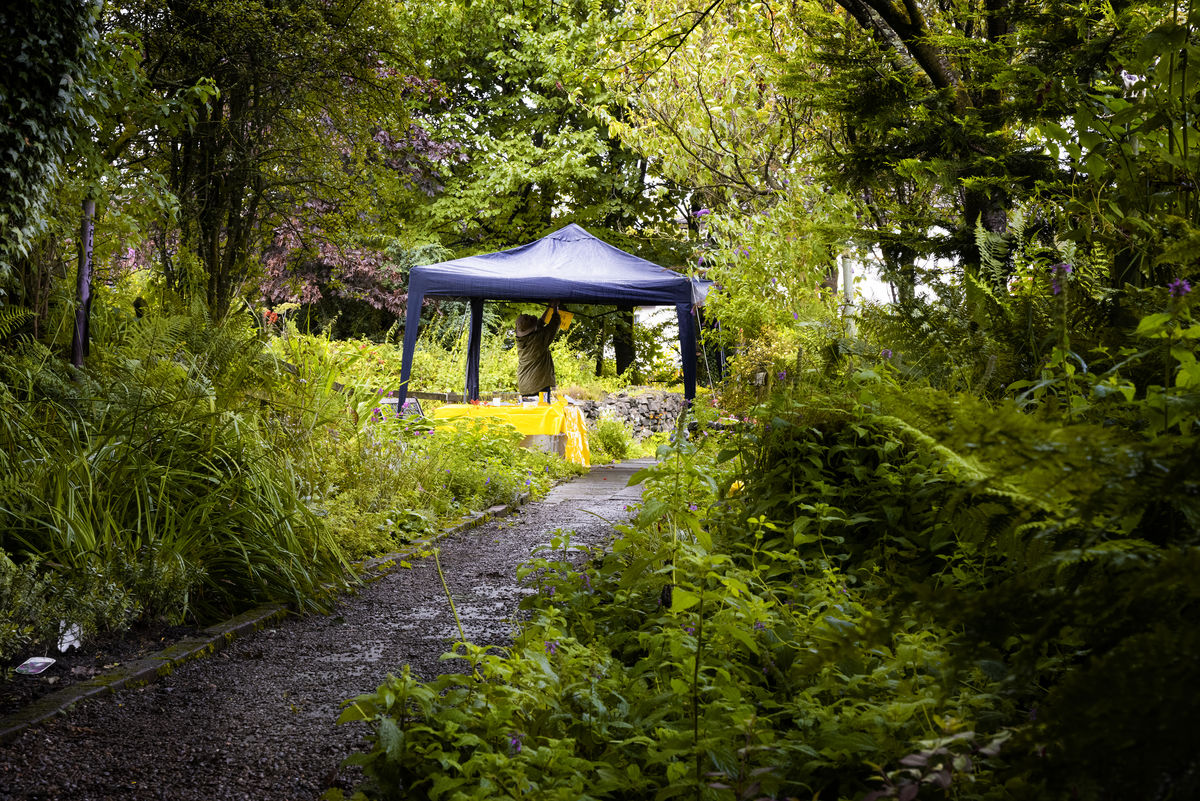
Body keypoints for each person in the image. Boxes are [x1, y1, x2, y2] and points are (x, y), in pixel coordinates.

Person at [515, 304, 561, 401]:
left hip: (525, 385)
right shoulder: (538, 341)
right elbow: (554, 324)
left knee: (529, 413)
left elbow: (540, 323)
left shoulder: (521, 340)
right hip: (539, 385)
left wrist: (550, 307)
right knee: (542, 411)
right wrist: (556, 308)